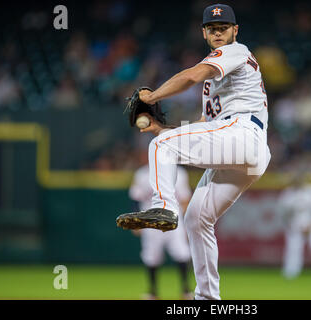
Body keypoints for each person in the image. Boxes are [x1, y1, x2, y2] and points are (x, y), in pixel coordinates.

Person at [116, 3, 271, 300]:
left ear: (235, 31)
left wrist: (152, 95)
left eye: (223, 27)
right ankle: (207, 300)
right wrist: (160, 129)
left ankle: (165, 207)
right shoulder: (213, 85)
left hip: (242, 132)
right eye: (212, 28)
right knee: (197, 219)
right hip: (241, 150)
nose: (217, 32)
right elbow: (202, 127)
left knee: (163, 147)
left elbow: (192, 75)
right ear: (203, 32)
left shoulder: (237, 51)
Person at [129, 160, 193, 300]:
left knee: (181, 253)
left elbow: (185, 199)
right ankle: (153, 292)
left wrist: (185, 222)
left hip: (174, 219)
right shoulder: (142, 174)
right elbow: (135, 198)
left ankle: (186, 289)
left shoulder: (179, 173)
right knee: (151, 256)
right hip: (150, 220)